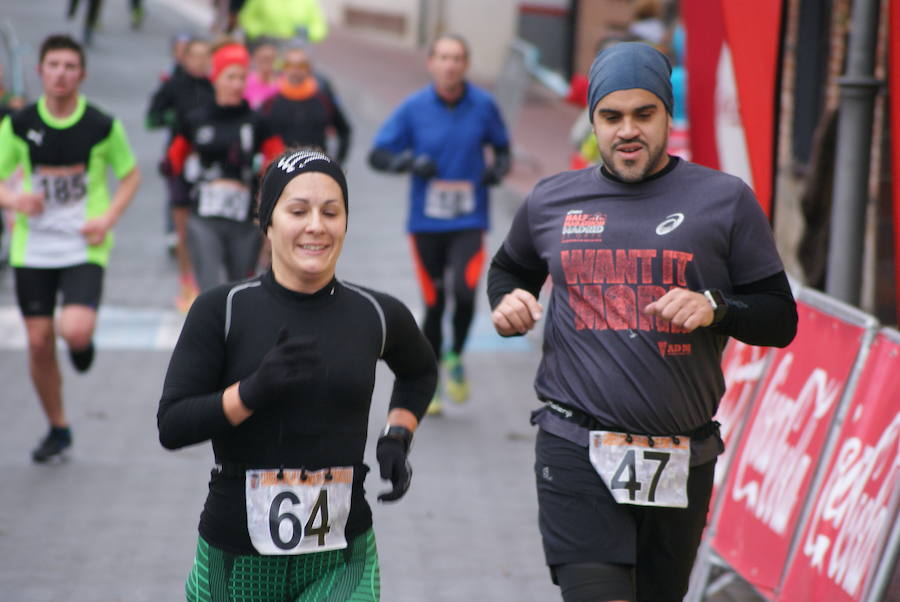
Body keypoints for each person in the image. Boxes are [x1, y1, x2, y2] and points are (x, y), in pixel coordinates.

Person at [487, 42, 798, 602]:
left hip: (682, 455)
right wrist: (510, 300)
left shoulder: (725, 200)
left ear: (667, 115)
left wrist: (717, 308)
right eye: (611, 116)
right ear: (594, 122)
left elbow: (780, 317)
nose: (627, 131)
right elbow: (511, 267)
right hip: (574, 445)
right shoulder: (553, 200)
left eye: (643, 114)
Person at [158, 148, 437, 601]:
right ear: (267, 223)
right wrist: (251, 392)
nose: (316, 226)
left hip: (343, 557)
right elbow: (172, 425)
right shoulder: (222, 310)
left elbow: (420, 371)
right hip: (237, 557)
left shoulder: (375, 313)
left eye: (331, 212)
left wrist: (396, 436)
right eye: (298, 211)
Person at [0, 34, 140, 462]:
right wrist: (14, 200)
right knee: (39, 342)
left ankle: (81, 345)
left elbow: (130, 175)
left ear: (82, 74)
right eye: (54, 65)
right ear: (40, 71)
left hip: (84, 244)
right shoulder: (19, 125)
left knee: (74, 330)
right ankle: (58, 427)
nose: (61, 74)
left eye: (69, 66)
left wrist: (107, 218)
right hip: (34, 246)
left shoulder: (101, 125)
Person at [368, 33, 511, 415]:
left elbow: (503, 149)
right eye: (443, 57)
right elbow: (377, 154)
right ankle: (430, 378)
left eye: (457, 58)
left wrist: (497, 169)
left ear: (466, 64)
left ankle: (455, 357)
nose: (450, 65)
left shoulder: (484, 106)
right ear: (431, 63)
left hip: (468, 219)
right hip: (426, 223)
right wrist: (408, 163)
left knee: (464, 293)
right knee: (435, 303)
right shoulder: (413, 108)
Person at [166, 41, 284, 292]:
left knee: (240, 287)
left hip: (244, 217)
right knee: (210, 287)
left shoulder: (257, 122)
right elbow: (173, 161)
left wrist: (264, 186)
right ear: (216, 78)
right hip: (203, 213)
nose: (237, 84)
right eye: (231, 77)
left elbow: (278, 162)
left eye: (242, 77)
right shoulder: (196, 120)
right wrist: (181, 196)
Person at [147, 37, 214, 311]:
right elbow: (151, 118)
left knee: (208, 226)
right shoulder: (173, 86)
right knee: (183, 224)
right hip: (180, 159)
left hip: (209, 162)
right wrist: (177, 119)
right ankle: (186, 282)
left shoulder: (214, 87)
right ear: (184, 58)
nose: (200, 61)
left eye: (205, 56)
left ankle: (208, 282)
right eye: (195, 55)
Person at [260, 44, 351, 164]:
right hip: (283, 168)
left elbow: (344, 130)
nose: (295, 70)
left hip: (316, 166)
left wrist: (337, 162)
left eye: (301, 65)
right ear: (284, 68)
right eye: (290, 65)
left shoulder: (323, 100)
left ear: (309, 68)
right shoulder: (270, 103)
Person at [238, 0, 328, 45]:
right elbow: (246, 17)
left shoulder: (307, 1)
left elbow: (319, 26)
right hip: (266, 48)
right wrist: (259, 32)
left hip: (293, 53)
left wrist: (306, 32)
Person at [244, 37, 280, 109]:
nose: (267, 62)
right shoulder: (246, 82)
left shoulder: (281, 84)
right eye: (263, 58)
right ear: (255, 58)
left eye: (270, 59)